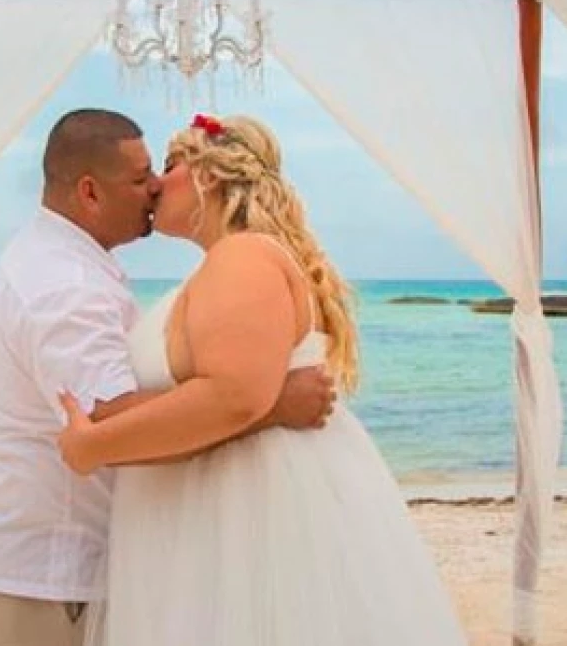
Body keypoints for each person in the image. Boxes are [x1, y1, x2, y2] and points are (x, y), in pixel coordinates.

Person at [56, 113, 466, 646]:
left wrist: (94, 445)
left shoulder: (244, 257)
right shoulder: (228, 263)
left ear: (209, 176)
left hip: (247, 515)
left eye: (171, 165)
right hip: (210, 515)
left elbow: (232, 397)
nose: (157, 183)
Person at [0, 109, 337, 646]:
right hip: (52, 574)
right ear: (89, 193)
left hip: (76, 566)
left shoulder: (75, 265)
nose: (155, 185)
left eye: (159, 170)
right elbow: (108, 423)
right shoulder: (64, 284)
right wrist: (270, 404)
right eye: (139, 178)